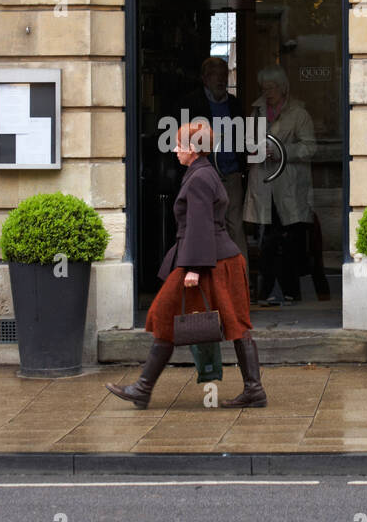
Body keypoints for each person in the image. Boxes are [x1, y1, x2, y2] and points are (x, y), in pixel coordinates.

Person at [106, 121, 265, 409]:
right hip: (216, 260)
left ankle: (143, 389)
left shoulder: (200, 177)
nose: (175, 149)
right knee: (229, 324)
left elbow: (200, 225)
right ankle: (253, 390)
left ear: (192, 149)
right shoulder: (203, 173)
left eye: (179, 144)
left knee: (174, 315)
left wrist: (193, 268)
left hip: (207, 262)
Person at [243, 65, 315, 306]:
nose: (267, 93)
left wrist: (282, 151)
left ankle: (291, 291)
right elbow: (247, 142)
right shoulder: (256, 112)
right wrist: (253, 149)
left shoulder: (299, 113)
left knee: (290, 240)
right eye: (264, 88)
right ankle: (266, 292)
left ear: (283, 88)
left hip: (289, 186)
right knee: (266, 240)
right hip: (264, 185)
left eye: (271, 88)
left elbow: (310, 147)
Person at [176, 56, 247, 258]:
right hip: (204, 175)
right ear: (205, 79)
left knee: (235, 227)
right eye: (216, 75)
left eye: (224, 75)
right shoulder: (190, 103)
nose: (221, 80)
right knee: (203, 225)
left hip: (231, 174)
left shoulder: (234, 105)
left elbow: (244, 138)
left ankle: (241, 280)